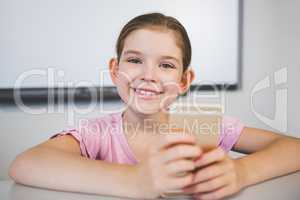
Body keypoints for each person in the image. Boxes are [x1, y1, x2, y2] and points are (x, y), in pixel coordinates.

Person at [9, 12, 300, 200]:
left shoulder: (206, 130)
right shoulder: (97, 134)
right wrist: (134, 181)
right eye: (135, 60)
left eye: (166, 65)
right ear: (115, 69)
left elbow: (294, 148)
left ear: (184, 80)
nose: (148, 75)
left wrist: (242, 173)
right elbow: (25, 164)